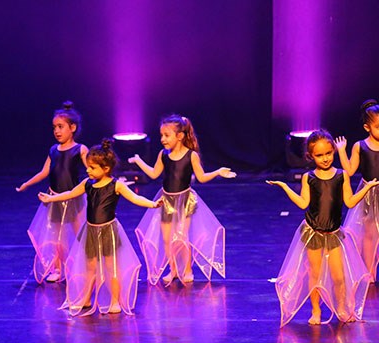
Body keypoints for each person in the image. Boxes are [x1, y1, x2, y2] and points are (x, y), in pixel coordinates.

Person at [267, 129, 379, 326]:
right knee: (315, 274)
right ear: (311, 156)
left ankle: (342, 307)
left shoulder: (341, 176)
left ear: (333, 151)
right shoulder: (309, 177)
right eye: (319, 155)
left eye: (328, 153)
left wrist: (367, 187)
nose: (325, 158)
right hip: (314, 232)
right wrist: (285, 187)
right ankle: (316, 310)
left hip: (334, 233)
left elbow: (349, 201)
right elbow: (303, 203)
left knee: (339, 276)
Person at [38, 139, 162, 316]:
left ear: (106, 169)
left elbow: (135, 198)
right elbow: (70, 193)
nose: (88, 170)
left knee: (111, 267)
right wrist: (51, 198)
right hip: (90, 231)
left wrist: (153, 204)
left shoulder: (116, 185)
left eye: (92, 167)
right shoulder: (87, 184)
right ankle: (87, 298)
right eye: (88, 166)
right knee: (90, 268)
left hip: (108, 231)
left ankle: (115, 300)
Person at [128, 114, 235, 285]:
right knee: (166, 238)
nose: (163, 139)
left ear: (180, 136)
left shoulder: (191, 155)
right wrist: (139, 161)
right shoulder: (163, 155)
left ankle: (187, 269)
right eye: (161, 135)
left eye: (167, 135)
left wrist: (217, 172)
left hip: (185, 201)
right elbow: (154, 174)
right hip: (166, 201)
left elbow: (201, 177)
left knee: (181, 237)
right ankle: (173, 270)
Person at [16, 101, 88, 283]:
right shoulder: (53, 150)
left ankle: (86, 265)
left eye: (61, 126)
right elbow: (44, 172)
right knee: (57, 237)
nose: (57, 131)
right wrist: (26, 184)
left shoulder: (80, 149)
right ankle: (58, 268)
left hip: (73, 198)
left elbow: (92, 171)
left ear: (72, 127)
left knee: (81, 233)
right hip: (54, 198)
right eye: (54, 127)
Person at [336, 99, 379, 283]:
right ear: (367, 127)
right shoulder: (360, 146)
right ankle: (370, 271)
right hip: (368, 192)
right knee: (369, 235)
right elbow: (350, 170)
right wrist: (341, 151)